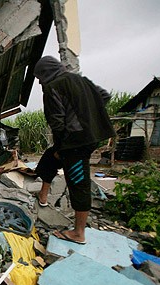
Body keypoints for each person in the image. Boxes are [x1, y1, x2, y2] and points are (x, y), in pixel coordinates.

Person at [34, 56, 115, 245]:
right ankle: (43, 197)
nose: (39, 81)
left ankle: (79, 233)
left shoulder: (53, 86)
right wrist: (88, 115)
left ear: (46, 72)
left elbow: (57, 120)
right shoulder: (81, 81)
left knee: (78, 181)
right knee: (49, 158)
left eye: (39, 76)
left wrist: (62, 147)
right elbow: (104, 96)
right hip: (86, 136)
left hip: (75, 141)